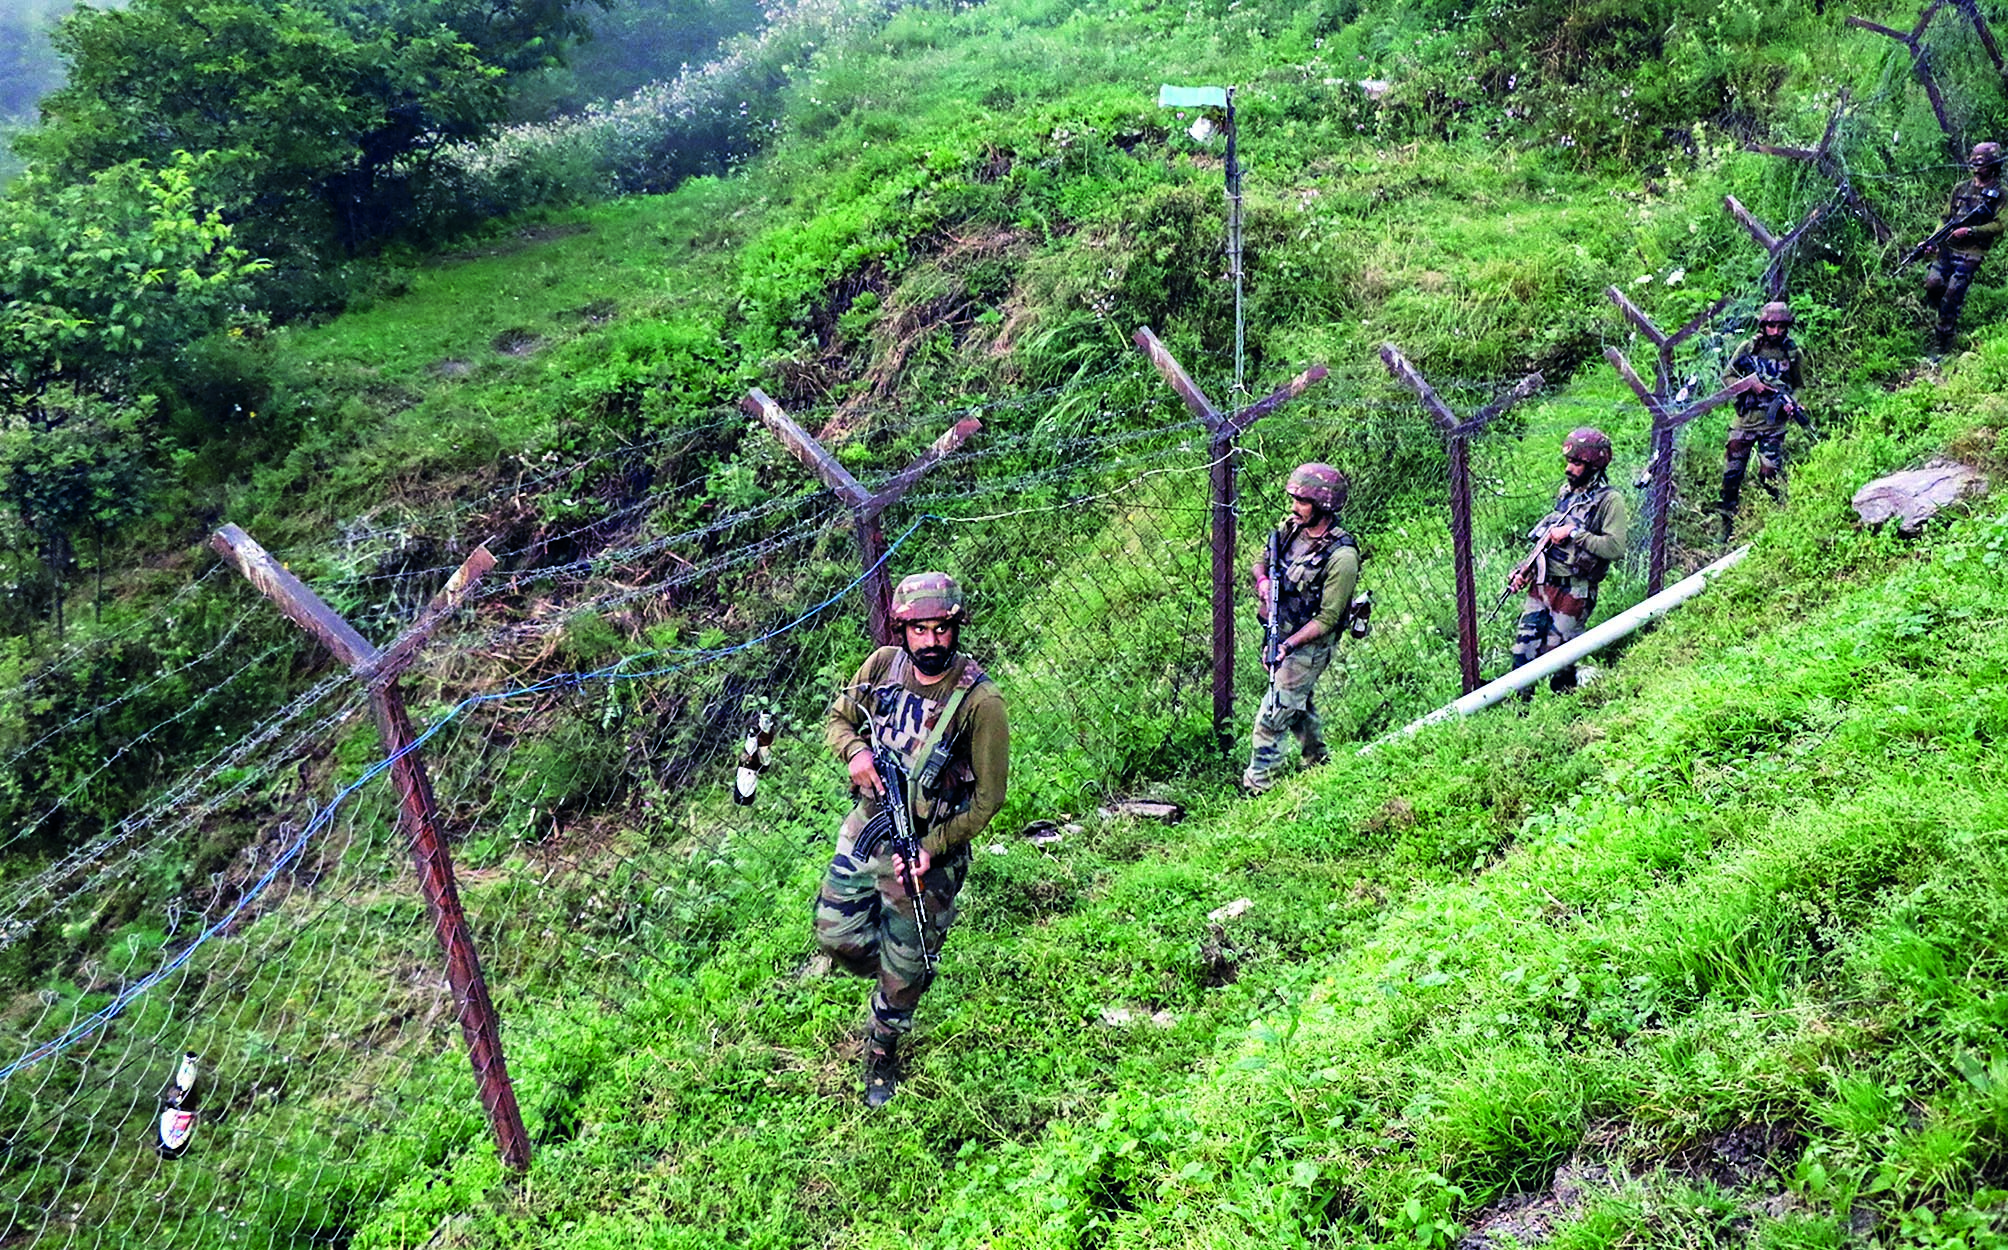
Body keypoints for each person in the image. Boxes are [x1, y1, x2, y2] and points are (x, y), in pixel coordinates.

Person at [815, 571, 1008, 1106]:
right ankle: (892, 972)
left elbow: (989, 799)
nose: (931, 642)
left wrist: (932, 847)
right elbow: (839, 717)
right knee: (835, 935)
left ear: (956, 627)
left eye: (941, 629)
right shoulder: (881, 666)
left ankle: (881, 1047)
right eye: (918, 630)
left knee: (907, 966)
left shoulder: (979, 702)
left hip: (927, 851)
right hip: (868, 826)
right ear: (902, 629)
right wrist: (854, 751)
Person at [1244, 462, 1360, 795]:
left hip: (1308, 646)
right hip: (1281, 632)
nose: (1295, 507)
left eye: (1302, 500)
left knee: (1272, 715)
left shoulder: (1342, 556)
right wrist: (1263, 581)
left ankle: (1257, 788)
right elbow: (1260, 561)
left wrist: (1287, 646)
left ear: (1324, 504)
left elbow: (1327, 619)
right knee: (1298, 705)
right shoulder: (1291, 529)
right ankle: (1318, 761)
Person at [1507, 429, 1627, 695]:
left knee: (1558, 660)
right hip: (1542, 585)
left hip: (1574, 590)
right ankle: (1519, 718)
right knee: (1522, 652)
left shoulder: (1610, 501)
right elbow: (1547, 539)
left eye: (1576, 463)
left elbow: (1615, 547)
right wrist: (1523, 570)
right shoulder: (1567, 493)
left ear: (1594, 464)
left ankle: (1574, 702)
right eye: (1568, 462)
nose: (1569, 469)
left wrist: (1575, 534)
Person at [1718, 300, 1810, 540]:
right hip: (1744, 422)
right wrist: (1751, 386)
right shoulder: (1748, 348)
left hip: (1773, 425)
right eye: (1771, 326)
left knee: (1770, 473)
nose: (1776, 332)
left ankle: (1776, 522)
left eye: (1781, 327)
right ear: (1763, 325)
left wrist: (1793, 402)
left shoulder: (1792, 353)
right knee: (1731, 476)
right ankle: (1726, 525)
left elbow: (1799, 386)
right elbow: (1727, 376)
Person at [1923, 141, 2005, 356]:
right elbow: (1944, 217)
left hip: (1972, 251)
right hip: (1947, 246)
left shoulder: (2001, 193)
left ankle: (1942, 341)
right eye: (1974, 163)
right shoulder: (1961, 188)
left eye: (1982, 164)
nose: (1977, 168)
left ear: (1993, 165)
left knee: (1953, 292)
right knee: (1933, 284)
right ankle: (1938, 310)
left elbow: (2000, 224)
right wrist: (1932, 239)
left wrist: (1971, 231)